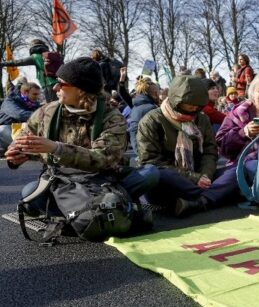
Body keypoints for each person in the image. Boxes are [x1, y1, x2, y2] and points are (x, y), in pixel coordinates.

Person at [5, 57, 159, 206]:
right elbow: (25, 140)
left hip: (103, 180)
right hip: (62, 181)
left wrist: (56, 148)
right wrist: (16, 154)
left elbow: (103, 159)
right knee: (28, 193)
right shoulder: (47, 111)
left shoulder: (112, 117)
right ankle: (102, 208)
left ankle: (84, 210)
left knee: (150, 173)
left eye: (61, 84)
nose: (54, 88)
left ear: (80, 90)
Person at [136, 75, 238, 217]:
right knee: (160, 174)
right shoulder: (151, 121)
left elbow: (210, 151)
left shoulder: (202, 119)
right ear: (176, 100)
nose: (194, 108)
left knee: (237, 171)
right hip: (172, 180)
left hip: (200, 178)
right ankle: (214, 195)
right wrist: (194, 178)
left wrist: (205, 175)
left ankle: (200, 201)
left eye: (198, 105)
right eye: (190, 104)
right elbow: (151, 161)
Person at [0, 81, 41, 154]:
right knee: (2, 129)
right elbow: (19, 115)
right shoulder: (10, 101)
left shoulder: (34, 104)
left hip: (20, 130)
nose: (37, 97)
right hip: (6, 129)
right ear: (25, 92)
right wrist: (41, 115)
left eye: (38, 94)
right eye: (35, 94)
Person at [127, 77, 160, 153]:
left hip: (139, 149)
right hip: (148, 152)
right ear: (155, 93)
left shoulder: (136, 107)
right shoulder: (151, 108)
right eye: (158, 92)